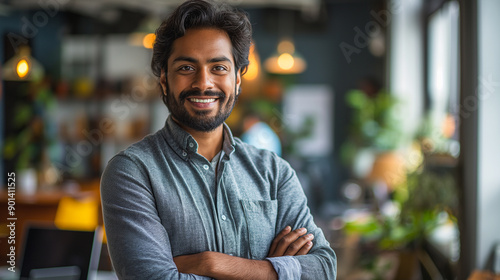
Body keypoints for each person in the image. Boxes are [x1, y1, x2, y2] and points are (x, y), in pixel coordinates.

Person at [100, 0, 337, 279]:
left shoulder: (273, 172)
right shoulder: (132, 173)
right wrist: (274, 272)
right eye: (186, 68)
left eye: (219, 68)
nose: (204, 83)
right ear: (164, 80)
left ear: (238, 78)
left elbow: (323, 268)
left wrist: (212, 264)